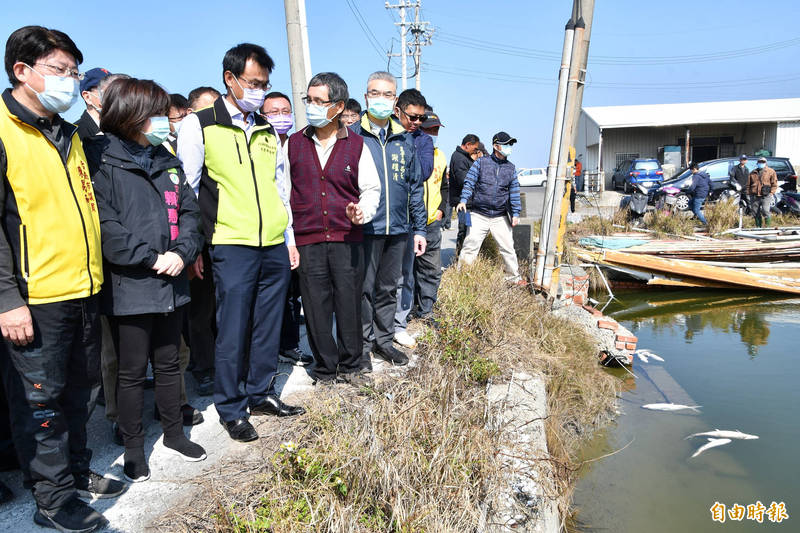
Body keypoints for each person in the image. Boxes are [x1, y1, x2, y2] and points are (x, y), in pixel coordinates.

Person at [0, 25, 125, 532]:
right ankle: (52, 500)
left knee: (80, 390)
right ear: (22, 71)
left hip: (82, 287)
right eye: (59, 70)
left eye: (74, 71)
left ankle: (75, 470)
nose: (70, 81)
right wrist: (7, 297)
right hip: (34, 296)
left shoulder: (67, 131)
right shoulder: (5, 130)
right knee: (40, 402)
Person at [177, 43, 304, 444]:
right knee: (232, 327)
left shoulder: (267, 130)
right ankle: (231, 407)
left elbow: (279, 189)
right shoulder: (200, 125)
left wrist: (289, 239)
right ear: (230, 79)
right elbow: (189, 189)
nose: (260, 92)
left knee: (268, 324)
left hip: (272, 243)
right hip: (230, 242)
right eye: (253, 83)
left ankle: (261, 392)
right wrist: (193, 246)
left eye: (265, 85)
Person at [90, 78, 206, 482]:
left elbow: (191, 214)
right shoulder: (103, 160)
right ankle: (134, 447)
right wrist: (151, 258)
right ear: (130, 115)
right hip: (131, 284)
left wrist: (181, 253)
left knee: (171, 362)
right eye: (156, 114)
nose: (164, 122)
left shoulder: (166, 158)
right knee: (132, 370)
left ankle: (175, 433)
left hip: (173, 280)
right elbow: (107, 226)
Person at [288, 72, 380, 385]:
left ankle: (352, 365)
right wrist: (290, 239)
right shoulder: (294, 144)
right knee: (315, 307)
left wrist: (361, 213)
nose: (311, 106)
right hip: (308, 240)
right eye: (308, 100)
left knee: (349, 303)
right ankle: (325, 370)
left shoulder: (356, 145)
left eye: (318, 101)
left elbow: (371, 190)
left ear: (337, 106)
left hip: (347, 238)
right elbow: (284, 194)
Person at [353, 71, 426, 368]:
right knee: (363, 289)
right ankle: (361, 345)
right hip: (365, 228)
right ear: (366, 95)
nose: (380, 99)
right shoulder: (353, 136)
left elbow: (414, 187)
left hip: (397, 228)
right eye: (374, 93)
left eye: (386, 94)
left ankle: (384, 341)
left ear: (394, 100)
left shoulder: (404, 140)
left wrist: (419, 227)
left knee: (387, 288)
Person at [261, 91, 313, 366]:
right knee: (276, 296)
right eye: (273, 112)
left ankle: (290, 345)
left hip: (299, 230)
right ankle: (274, 346)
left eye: (285, 111)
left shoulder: (298, 144)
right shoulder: (260, 145)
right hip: (272, 230)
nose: (280, 117)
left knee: (294, 293)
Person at [392, 89, 433, 348]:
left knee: (404, 276)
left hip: (406, 219)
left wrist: (420, 227)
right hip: (379, 219)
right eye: (412, 117)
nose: (416, 123)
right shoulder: (383, 136)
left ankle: (399, 325)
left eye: (421, 119)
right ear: (398, 111)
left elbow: (421, 176)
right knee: (375, 279)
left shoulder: (422, 141)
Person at [457, 132, 522, 282]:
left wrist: (516, 213)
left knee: (508, 248)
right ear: (496, 146)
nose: (509, 147)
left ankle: (514, 278)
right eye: (506, 144)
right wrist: (463, 200)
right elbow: (469, 182)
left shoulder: (511, 168)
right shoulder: (481, 163)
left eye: (510, 144)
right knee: (470, 246)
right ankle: (461, 277)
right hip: (479, 214)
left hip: (500, 215)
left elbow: (514, 192)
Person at [413, 109, 448, 319]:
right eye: (429, 129)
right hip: (411, 222)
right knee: (407, 272)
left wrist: (442, 210)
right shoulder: (411, 150)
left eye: (436, 129)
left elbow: (445, 186)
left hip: (432, 222)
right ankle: (407, 311)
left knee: (432, 270)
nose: (433, 133)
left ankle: (426, 310)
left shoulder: (440, 156)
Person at [449, 134, 481, 258]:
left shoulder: (465, 157)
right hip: (463, 204)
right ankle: (459, 258)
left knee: (467, 229)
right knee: (465, 230)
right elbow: (464, 180)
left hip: (467, 202)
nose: (476, 151)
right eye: (475, 149)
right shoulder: (459, 158)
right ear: (468, 145)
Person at [75, 67, 110, 142]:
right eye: (107, 91)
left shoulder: (122, 131)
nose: (114, 96)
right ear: (87, 97)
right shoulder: (74, 134)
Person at [746, 156, 778, 228]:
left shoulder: (771, 171)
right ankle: (758, 227)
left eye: (763, 162)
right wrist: (748, 194)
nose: (761, 163)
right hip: (754, 195)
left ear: (766, 163)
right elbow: (748, 184)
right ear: (757, 163)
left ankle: (767, 227)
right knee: (755, 212)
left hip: (766, 195)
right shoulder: (752, 173)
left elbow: (774, 184)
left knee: (765, 210)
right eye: (760, 162)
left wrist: (771, 193)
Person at [686, 161, 710, 226]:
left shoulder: (696, 176)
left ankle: (705, 223)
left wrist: (687, 191)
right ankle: (696, 216)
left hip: (699, 194)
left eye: (691, 170)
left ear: (694, 169)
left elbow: (693, 187)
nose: (691, 172)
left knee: (697, 210)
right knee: (690, 203)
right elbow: (710, 183)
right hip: (703, 193)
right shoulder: (703, 174)